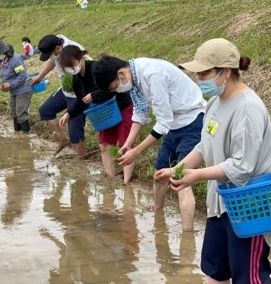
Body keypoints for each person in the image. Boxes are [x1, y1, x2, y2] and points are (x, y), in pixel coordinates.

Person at [155, 38, 271, 284]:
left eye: (204, 73)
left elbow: (242, 167)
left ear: (226, 72)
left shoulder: (248, 108)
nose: (199, 79)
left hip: (250, 206)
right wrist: (177, 169)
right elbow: (204, 145)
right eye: (197, 73)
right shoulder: (214, 103)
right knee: (215, 271)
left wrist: (196, 175)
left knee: (251, 281)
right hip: (220, 203)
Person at [92, 56, 206, 231]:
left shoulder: (153, 75)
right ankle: (158, 213)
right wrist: (128, 144)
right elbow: (140, 112)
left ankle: (187, 236)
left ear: (121, 74)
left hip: (193, 119)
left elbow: (163, 122)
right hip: (174, 123)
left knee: (181, 179)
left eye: (115, 87)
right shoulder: (134, 77)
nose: (119, 90)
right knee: (159, 173)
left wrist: (136, 151)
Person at [58, 45, 135, 184]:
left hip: (122, 106)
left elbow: (113, 87)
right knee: (104, 145)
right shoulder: (76, 80)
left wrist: (94, 95)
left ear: (81, 58)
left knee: (125, 145)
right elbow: (82, 101)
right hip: (105, 113)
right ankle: (110, 179)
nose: (72, 69)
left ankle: (126, 182)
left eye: (73, 65)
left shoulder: (97, 69)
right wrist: (69, 113)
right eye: (67, 68)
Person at [31, 34, 88, 159]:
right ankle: (63, 139)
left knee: (75, 130)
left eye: (51, 54)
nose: (51, 57)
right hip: (66, 90)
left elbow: (86, 72)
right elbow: (52, 61)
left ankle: (80, 159)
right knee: (45, 110)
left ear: (58, 48)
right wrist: (39, 77)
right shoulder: (55, 48)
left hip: (79, 94)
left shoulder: (74, 50)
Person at [0, 39, 33, 133]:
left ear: (4, 52)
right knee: (14, 112)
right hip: (13, 91)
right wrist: (3, 84)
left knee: (21, 113)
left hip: (23, 90)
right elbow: (3, 74)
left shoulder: (16, 60)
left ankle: (26, 136)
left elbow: (22, 75)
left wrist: (10, 84)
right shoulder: (2, 60)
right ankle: (17, 133)